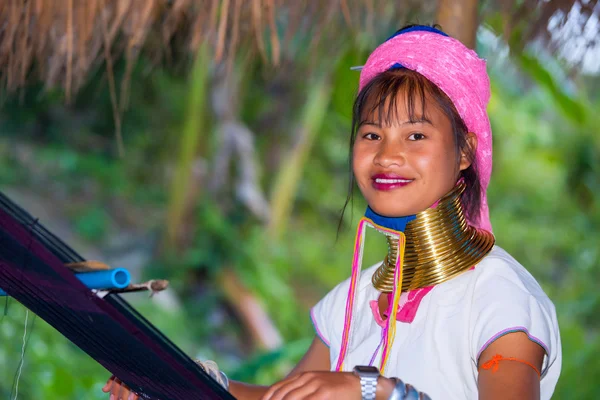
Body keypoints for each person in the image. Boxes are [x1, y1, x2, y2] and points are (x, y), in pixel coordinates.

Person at [103, 24, 561, 400]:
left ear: (465, 151)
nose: (387, 155)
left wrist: (383, 392)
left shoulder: (499, 295)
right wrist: (178, 387)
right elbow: (280, 399)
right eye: (371, 134)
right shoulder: (357, 296)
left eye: (416, 136)